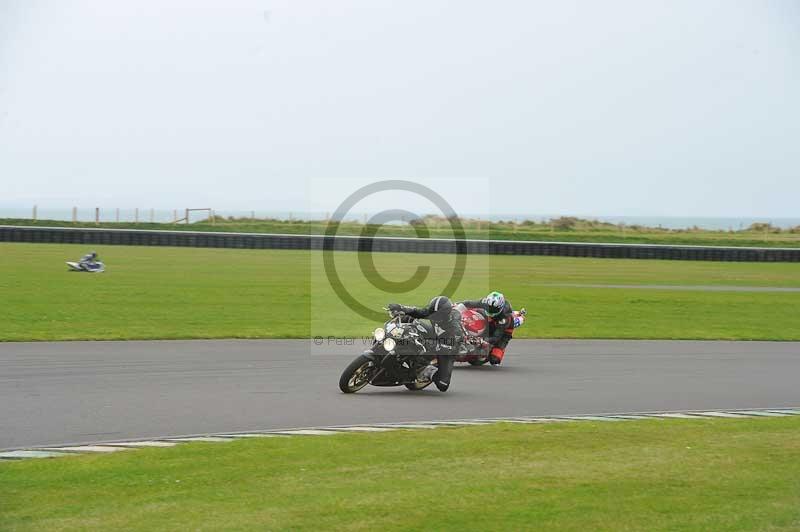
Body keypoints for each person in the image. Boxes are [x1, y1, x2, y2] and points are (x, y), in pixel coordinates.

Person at [387, 295, 462, 392]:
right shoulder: (434, 311)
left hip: (447, 348)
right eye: (432, 313)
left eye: (437, 315)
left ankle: (429, 371)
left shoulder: (455, 324)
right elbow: (418, 312)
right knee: (409, 318)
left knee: (443, 385)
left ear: (445, 314)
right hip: (434, 334)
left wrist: (437, 346)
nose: (434, 316)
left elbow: (456, 345)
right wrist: (401, 308)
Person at [459, 291, 516, 365]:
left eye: (493, 309)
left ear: (500, 307)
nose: (491, 310)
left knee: (495, 359)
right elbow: (468, 303)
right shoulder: (485, 302)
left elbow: (496, 337)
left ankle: (490, 353)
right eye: (489, 308)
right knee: (474, 313)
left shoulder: (504, 318)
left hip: (503, 330)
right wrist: (455, 306)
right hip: (489, 319)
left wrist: (482, 341)